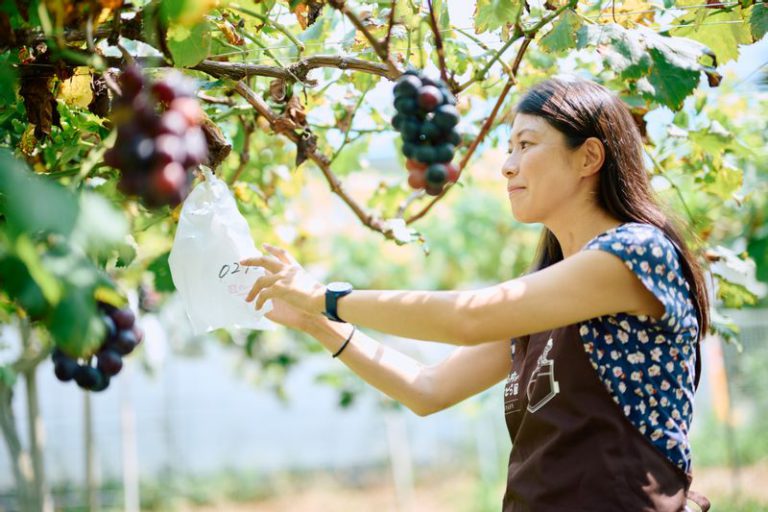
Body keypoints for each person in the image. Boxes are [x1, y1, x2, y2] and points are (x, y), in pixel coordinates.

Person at [240, 77, 711, 512]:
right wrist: (316, 322)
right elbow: (428, 389)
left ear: (589, 157)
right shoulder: (555, 290)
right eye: (509, 148)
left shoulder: (638, 252)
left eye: (526, 145)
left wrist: (326, 297)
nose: (507, 165)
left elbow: (467, 319)